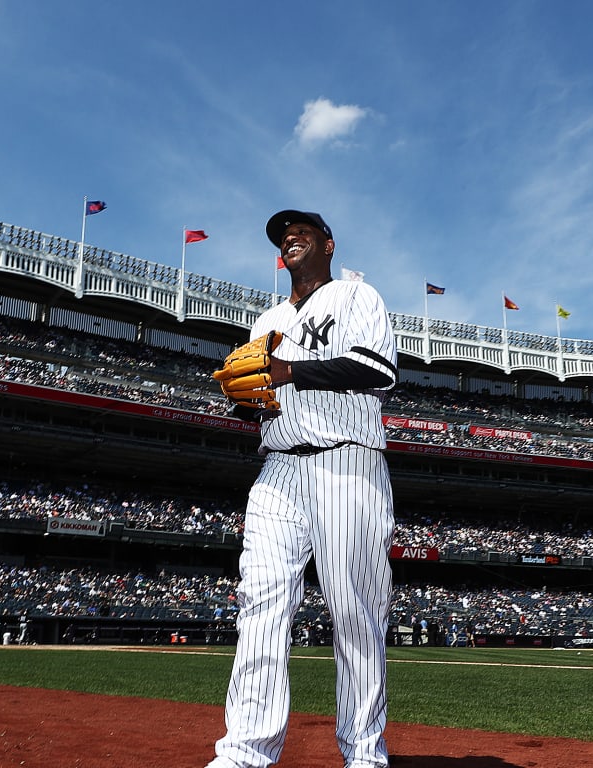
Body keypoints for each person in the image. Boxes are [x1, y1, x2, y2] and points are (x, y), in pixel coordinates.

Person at [208, 210, 397, 768]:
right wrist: (245, 398)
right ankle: (245, 751)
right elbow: (259, 398)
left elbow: (376, 369)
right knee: (260, 603)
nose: (290, 236)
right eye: (282, 236)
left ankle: (364, 754)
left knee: (355, 611)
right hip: (278, 468)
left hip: (347, 461)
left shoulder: (358, 297)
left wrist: (288, 370)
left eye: (302, 232)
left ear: (328, 244)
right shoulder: (265, 319)